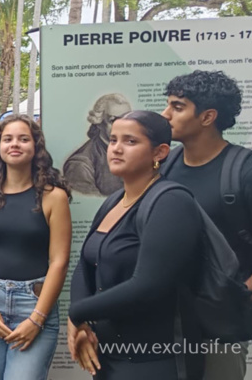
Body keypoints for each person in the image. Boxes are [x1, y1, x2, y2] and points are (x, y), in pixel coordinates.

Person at [68, 110, 204, 379]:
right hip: (107, 355)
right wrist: (81, 322)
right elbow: (85, 264)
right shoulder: (114, 200)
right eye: (115, 139)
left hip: (153, 358)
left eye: (130, 141)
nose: (116, 148)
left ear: (160, 152)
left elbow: (148, 285)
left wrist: (76, 313)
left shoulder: (171, 201)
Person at [160, 71, 252, 380]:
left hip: (221, 330)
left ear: (207, 116)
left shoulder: (248, 173)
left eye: (177, 107)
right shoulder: (164, 165)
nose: (166, 115)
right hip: (167, 319)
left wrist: (241, 296)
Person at [0, 114, 71, 380]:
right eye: (7, 139)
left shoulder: (53, 196)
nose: (14, 144)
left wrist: (37, 318)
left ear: (36, 147)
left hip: (32, 304)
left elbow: (59, 261)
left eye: (23, 139)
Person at [63, 93, 132, 196]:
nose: (123, 125)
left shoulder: (136, 151)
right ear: (99, 123)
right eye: (113, 120)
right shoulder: (80, 165)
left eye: (127, 119)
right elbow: (93, 203)